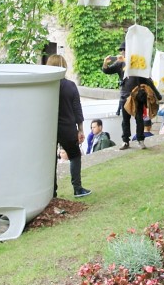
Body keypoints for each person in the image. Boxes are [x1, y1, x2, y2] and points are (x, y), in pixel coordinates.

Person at [46, 54, 91, 198]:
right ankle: (77, 188)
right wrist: (81, 129)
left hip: (49, 128)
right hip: (67, 128)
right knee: (74, 156)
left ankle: (52, 192)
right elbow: (77, 109)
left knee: (50, 161)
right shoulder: (70, 86)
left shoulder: (46, 87)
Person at [119, 72, 163, 150]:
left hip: (137, 99)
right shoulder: (124, 67)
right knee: (126, 120)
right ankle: (126, 141)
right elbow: (107, 70)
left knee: (139, 120)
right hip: (125, 98)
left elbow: (149, 82)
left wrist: (158, 96)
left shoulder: (141, 72)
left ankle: (140, 140)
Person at [102, 43, 126, 115]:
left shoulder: (135, 60)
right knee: (125, 119)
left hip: (135, 93)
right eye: (121, 50)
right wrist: (105, 63)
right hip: (124, 93)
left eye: (124, 49)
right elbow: (107, 70)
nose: (122, 51)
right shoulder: (119, 63)